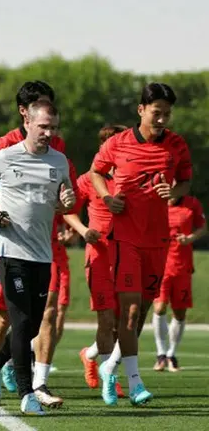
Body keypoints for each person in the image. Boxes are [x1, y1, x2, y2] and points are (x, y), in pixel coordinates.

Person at [0, 100, 75, 416]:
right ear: (27, 122)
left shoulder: (59, 161)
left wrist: (67, 200)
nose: (48, 133)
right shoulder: (5, 156)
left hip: (42, 254)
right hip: (10, 251)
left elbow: (65, 199)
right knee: (20, 319)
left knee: (29, 327)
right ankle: (28, 394)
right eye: (43, 126)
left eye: (53, 128)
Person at [90, 83, 192, 406]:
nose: (162, 119)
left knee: (143, 312)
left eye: (166, 114)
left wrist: (175, 193)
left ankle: (109, 367)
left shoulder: (177, 145)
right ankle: (134, 383)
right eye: (156, 112)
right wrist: (107, 197)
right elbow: (95, 172)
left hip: (158, 242)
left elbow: (186, 180)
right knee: (131, 312)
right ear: (141, 110)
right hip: (125, 239)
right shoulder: (118, 144)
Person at [64, 125, 127, 399]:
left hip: (128, 254)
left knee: (125, 322)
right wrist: (83, 231)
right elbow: (68, 211)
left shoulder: (131, 177)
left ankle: (89, 355)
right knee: (106, 318)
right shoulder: (87, 180)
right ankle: (109, 380)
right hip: (99, 254)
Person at [152, 194, 206, 371]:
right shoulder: (155, 201)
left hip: (182, 266)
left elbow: (202, 227)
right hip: (160, 264)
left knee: (180, 313)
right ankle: (160, 354)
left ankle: (171, 354)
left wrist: (190, 238)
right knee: (159, 307)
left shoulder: (192, 203)